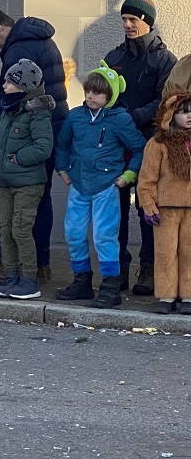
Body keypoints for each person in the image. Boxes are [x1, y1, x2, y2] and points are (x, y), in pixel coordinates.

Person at [0, 9, 68, 280]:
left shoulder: (18, 50)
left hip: (26, 132)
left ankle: (24, 268)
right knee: (43, 199)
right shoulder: (42, 39)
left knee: (21, 209)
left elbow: (11, 98)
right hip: (53, 123)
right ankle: (42, 263)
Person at [53, 62, 146, 308]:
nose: (91, 96)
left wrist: (128, 176)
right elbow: (62, 144)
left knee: (105, 236)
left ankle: (110, 287)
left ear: (111, 95)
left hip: (106, 187)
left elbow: (139, 148)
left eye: (98, 92)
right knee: (73, 233)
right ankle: (82, 282)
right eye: (89, 91)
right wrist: (62, 168)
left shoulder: (120, 119)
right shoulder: (75, 116)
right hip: (79, 185)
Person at [102, 0, 177, 296]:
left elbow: (165, 100)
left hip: (149, 141)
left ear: (148, 21)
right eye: (124, 19)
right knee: (115, 209)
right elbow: (103, 91)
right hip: (117, 145)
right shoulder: (114, 56)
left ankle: (148, 268)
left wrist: (131, 118)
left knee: (148, 208)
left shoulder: (164, 59)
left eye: (133, 19)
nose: (127, 25)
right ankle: (117, 269)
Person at [0, 59, 56, 300]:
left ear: (24, 86)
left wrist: (16, 159)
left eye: (9, 81)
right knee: (5, 229)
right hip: (5, 183)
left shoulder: (37, 113)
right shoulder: (9, 110)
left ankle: (29, 278)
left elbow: (43, 147)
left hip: (28, 183)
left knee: (20, 229)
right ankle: (11, 275)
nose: (4, 85)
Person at [136, 91, 191, 315]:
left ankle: (188, 295)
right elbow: (147, 179)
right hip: (166, 209)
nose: (189, 116)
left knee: (190, 253)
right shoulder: (158, 144)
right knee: (166, 253)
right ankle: (166, 295)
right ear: (170, 114)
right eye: (183, 112)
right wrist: (148, 205)